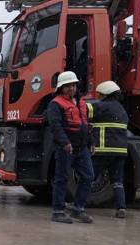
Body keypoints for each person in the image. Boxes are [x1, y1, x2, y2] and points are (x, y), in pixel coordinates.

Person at [47, 71, 94, 224]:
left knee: (88, 176)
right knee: (62, 178)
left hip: (81, 148)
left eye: (73, 85)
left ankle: (78, 209)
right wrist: (65, 142)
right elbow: (55, 126)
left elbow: (85, 124)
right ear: (61, 88)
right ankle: (58, 211)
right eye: (68, 86)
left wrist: (91, 142)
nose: (71, 88)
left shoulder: (81, 102)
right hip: (65, 148)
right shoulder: (56, 104)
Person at [90, 81, 129, 218]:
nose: (98, 97)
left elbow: (84, 111)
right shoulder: (122, 110)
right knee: (117, 181)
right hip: (120, 152)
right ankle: (121, 208)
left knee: (88, 177)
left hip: (103, 150)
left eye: (99, 94)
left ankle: (78, 204)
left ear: (105, 94)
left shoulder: (101, 106)